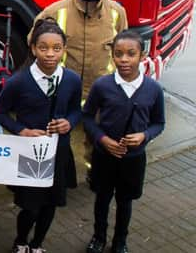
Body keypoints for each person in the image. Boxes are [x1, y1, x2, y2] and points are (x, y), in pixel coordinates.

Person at [30, 0, 128, 172]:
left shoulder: (117, 12)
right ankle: (52, 180)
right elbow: (33, 41)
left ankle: (96, 174)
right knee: (55, 139)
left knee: (100, 142)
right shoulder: (55, 11)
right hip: (63, 93)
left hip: (101, 93)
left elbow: (123, 48)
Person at [0, 18, 82, 253]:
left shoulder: (72, 79)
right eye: (43, 48)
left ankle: (37, 244)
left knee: (50, 204)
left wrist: (69, 123)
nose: (50, 54)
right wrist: (21, 130)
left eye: (57, 48)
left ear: (64, 50)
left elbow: (76, 110)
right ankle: (21, 241)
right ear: (33, 49)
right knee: (30, 206)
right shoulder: (18, 82)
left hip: (58, 152)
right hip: (31, 155)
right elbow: (0, 112)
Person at [83, 30, 165, 253]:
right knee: (102, 198)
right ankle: (98, 237)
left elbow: (159, 123)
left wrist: (144, 136)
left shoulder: (153, 89)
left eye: (131, 54)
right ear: (112, 55)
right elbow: (88, 117)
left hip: (134, 159)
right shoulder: (102, 85)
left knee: (125, 201)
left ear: (142, 55)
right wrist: (102, 139)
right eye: (118, 54)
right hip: (104, 156)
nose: (124, 59)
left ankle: (120, 240)